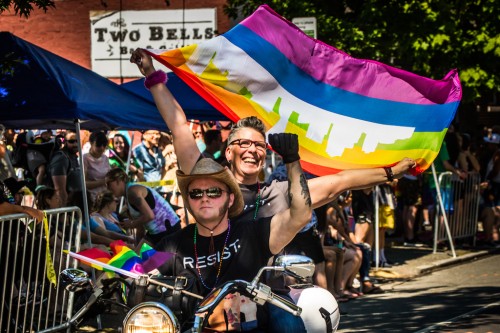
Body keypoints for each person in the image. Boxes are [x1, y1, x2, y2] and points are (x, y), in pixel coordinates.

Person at [155, 132, 312, 330]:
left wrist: (292, 160)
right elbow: (134, 270)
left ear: (229, 199)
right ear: (189, 201)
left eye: (213, 191)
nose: (205, 198)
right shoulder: (172, 244)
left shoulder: (252, 233)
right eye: (196, 193)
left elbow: (300, 215)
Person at [105, 168, 180, 245]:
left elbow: (149, 216)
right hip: (158, 231)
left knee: (147, 255)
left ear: (118, 181)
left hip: (167, 229)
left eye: (108, 184)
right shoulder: (128, 195)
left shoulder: (132, 192)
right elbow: (140, 229)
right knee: (138, 254)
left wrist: (131, 224)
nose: (107, 188)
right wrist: (136, 246)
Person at [47, 130, 84, 210]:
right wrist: (64, 213)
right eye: (71, 141)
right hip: (67, 209)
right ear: (65, 142)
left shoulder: (73, 157)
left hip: (77, 207)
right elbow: (60, 190)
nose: (75, 144)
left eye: (77, 141)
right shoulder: (61, 158)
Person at [83, 131, 110, 205]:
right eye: (98, 145)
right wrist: (103, 181)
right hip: (92, 200)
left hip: (105, 199)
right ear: (91, 143)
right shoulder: (85, 158)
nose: (102, 148)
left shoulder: (105, 158)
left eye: (104, 145)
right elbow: (84, 184)